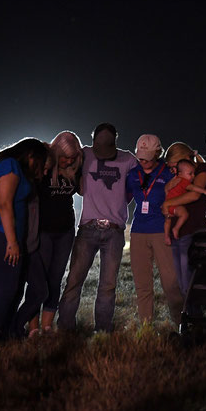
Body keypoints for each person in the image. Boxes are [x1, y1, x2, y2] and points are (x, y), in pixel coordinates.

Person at [57, 123, 137, 333]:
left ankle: (102, 329)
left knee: (108, 285)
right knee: (74, 280)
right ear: (92, 143)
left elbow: (148, 172)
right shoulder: (84, 154)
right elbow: (58, 157)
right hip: (88, 228)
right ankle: (65, 328)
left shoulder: (127, 159)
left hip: (114, 230)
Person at [0, 138, 48, 343]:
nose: (41, 169)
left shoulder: (2, 165)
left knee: (9, 289)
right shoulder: (10, 165)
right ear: (30, 156)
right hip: (1, 235)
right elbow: (5, 204)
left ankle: (4, 336)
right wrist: (12, 242)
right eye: (40, 162)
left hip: (0, 235)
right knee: (4, 290)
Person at [25, 131, 83, 336]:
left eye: (72, 158)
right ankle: (32, 327)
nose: (68, 161)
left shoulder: (76, 168)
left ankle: (47, 325)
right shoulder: (44, 164)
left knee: (55, 278)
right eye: (64, 157)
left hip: (65, 231)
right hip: (43, 231)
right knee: (38, 279)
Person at [125, 134, 183, 325]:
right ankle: (146, 326)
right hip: (138, 231)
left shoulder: (167, 172)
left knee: (171, 283)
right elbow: (124, 197)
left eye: (148, 158)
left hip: (161, 230)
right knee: (142, 285)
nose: (143, 162)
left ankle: (181, 323)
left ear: (158, 153)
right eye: (140, 157)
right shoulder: (133, 174)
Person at [161, 142, 206, 297]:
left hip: (192, 231)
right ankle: (191, 317)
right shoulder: (179, 177)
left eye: (174, 166)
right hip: (177, 233)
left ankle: (197, 317)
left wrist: (168, 203)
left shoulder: (201, 171)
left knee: (190, 283)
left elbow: (194, 195)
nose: (173, 171)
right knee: (182, 284)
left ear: (185, 159)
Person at [163, 159, 206, 244]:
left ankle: (167, 235)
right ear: (180, 173)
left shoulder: (175, 180)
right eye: (190, 174)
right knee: (184, 214)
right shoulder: (183, 181)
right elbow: (194, 188)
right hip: (173, 205)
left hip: (168, 205)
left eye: (193, 173)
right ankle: (176, 228)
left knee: (168, 220)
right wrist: (205, 191)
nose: (193, 176)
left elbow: (167, 190)